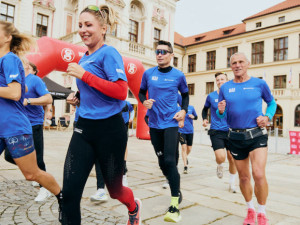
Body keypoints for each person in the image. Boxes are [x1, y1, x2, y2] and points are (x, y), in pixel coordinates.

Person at [63, 5, 141, 225]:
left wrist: (85, 76)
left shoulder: (109, 53)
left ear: (104, 28)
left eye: (89, 25)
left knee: (115, 190)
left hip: (110, 130)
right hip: (83, 129)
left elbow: (120, 91)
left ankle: (133, 206)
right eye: (80, 25)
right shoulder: (83, 58)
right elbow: (92, 89)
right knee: (69, 193)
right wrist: (78, 96)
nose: (83, 30)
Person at [0, 20, 62, 221]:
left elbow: (15, 92)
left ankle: (63, 198)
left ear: (8, 37)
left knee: (32, 174)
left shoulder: (10, 59)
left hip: (15, 127)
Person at [217, 52, 276, 225]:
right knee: (243, 177)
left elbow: (271, 103)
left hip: (256, 134)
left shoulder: (259, 84)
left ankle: (262, 212)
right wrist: (221, 111)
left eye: (241, 61)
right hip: (235, 136)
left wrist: (267, 117)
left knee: (258, 173)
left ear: (248, 63)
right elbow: (223, 116)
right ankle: (250, 209)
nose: (237, 65)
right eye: (234, 63)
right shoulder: (225, 88)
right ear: (231, 66)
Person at [139, 40, 189, 223]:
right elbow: (141, 92)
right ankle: (176, 186)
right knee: (163, 163)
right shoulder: (148, 73)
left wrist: (183, 111)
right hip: (154, 123)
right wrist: (144, 102)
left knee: (169, 159)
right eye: (157, 51)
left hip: (171, 122)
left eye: (163, 52)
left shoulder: (178, 75)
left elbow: (185, 95)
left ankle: (174, 204)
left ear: (171, 55)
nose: (159, 54)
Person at [4, 61, 54, 201]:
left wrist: (29, 101)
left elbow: (48, 98)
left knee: (38, 158)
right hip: (16, 125)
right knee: (9, 155)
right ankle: (35, 173)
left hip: (33, 124)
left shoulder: (34, 80)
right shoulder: (14, 80)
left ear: (29, 67)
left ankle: (45, 188)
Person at [202, 72, 237, 193]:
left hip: (232, 130)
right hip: (216, 130)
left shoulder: (233, 95)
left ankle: (232, 183)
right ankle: (220, 165)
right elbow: (204, 109)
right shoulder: (211, 96)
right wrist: (205, 119)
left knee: (232, 158)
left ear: (227, 81)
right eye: (218, 80)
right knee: (221, 157)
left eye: (222, 79)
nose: (220, 81)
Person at [178, 105, 198, 174]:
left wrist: (193, 117)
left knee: (189, 148)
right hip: (181, 131)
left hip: (190, 131)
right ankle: (185, 166)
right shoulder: (178, 108)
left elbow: (196, 117)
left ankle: (185, 157)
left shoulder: (191, 107)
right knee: (184, 148)